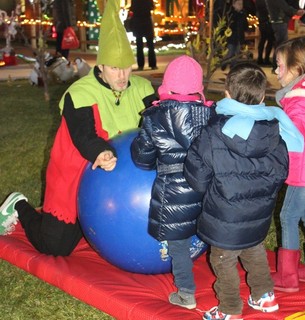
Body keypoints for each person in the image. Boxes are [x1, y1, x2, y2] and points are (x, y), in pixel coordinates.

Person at [0, 0, 156, 255]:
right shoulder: (80, 93)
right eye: (115, 68)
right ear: (102, 66)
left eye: (126, 68)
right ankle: (19, 205)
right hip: (76, 172)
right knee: (54, 246)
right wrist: (101, 153)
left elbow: (157, 121)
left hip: (126, 179)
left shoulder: (143, 88)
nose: (122, 76)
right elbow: (84, 135)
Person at [184, 62, 304, 320]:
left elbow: (196, 170)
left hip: (224, 215)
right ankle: (264, 296)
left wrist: (209, 192)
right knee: (253, 249)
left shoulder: (214, 132)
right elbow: (282, 170)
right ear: (262, 96)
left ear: (227, 94)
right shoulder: (275, 130)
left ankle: (229, 309)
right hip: (258, 212)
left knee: (223, 259)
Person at [130, 55, 215, 310]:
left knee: (177, 245)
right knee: (214, 233)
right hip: (208, 189)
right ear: (199, 87)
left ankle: (186, 293)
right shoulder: (212, 115)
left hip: (173, 191)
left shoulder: (155, 116)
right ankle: (229, 286)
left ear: (166, 85)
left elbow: (142, 159)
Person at [272, 36, 305, 292]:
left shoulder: (302, 98)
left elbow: (297, 130)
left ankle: (288, 276)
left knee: (288, 216)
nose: (276, 71)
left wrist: (275, 130)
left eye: (279, 65)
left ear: (297, 68)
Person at [264, 0, 305, 72]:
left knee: (279, 45)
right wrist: (297, 12)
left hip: (277, 22)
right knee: (281, 46)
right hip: (280, 22)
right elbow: (285, 8)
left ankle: (276, 66)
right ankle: (277, 66)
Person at [220, 0, 249, 70]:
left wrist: (246, 30)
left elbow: (245, 24)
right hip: (231, 37)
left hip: (240, 36)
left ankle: (233, 66)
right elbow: (229, 24)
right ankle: (224, 62)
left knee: (236, 52)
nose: (240, 6)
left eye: (241, 4)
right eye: (238, 4)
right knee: (230, 52)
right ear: (233, 5)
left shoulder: (243, 13)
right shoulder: (231, 13)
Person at [130, 0, 157, 71]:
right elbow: (152, 7)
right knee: (150, 44)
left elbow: (132, 8)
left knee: (139, 45)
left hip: (137, 22)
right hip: (146, 21)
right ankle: (153, 64)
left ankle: (140, 65)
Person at [255, 0, 275, 65]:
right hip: (267, 21)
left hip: (262, 21)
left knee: (263, 40)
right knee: (269, 40)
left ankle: (260, 58)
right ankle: (265, 58)